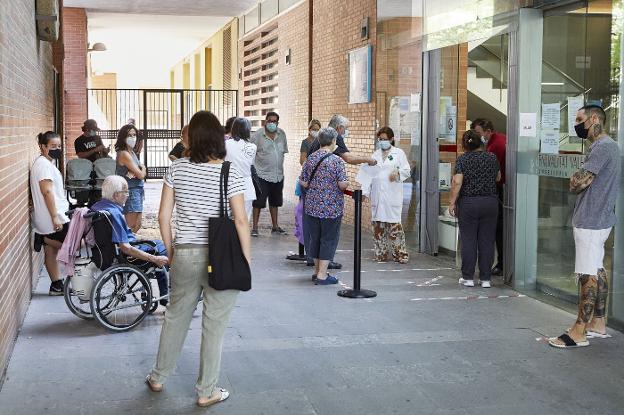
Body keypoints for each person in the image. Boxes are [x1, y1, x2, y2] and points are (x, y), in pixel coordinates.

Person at [147, 110, 250, 408]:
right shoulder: (231, 172)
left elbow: (164, 215)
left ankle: (158, 376)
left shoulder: (176, 169)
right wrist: (245, 258)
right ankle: (207, 391)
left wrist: (170, 249)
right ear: (218, 137)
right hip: (222, 255)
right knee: (214, 325)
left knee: (175, 317)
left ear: (192, 136)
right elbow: (241, 220)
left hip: (186, 252)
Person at [549, 105, 621, 349]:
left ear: (593, 119)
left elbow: (578, 182)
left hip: (591, 220)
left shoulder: (602, 147)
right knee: (598, 268)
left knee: (587, 275)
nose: (577, 124)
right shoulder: (608, 146)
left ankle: (579, 330)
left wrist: (576, 178)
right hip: (599, 219)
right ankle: (598, 323)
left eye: (579, 119)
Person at [304, 114, 377, 269]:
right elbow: (348, 160)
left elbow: (303, 180)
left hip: (311, 197)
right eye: (346, 128)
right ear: (339, 129)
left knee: (316, 234)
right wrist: (368, 159)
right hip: (328, 201)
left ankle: (316, 262)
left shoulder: (320, 140)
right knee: (329, 234)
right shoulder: (333, 139)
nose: (346, 131)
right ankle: (324, 267)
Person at [91, 176, 169, 305]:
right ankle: (166, 296)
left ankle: (149, 289)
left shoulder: (97, 207)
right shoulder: (114, 214)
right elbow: (125, 247)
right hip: (125, 254)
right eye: (125, 192)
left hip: (105, 251)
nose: (127, 196)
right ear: (116, 195)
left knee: (157, 245)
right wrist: (154, 259)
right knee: (163, 250)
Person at [448, 130, 500, 288]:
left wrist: (451, 202)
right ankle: (485, 279)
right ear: (481, 142)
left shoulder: (463, 159)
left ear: (465, 145)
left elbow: (457, 182)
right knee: (487, 240)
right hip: (490, 203)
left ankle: (468, 277)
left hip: (469, 204)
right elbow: (498, 177)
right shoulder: (492, 157)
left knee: (469, 240)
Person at [300, 127, 349, 285]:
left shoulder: (311, 158)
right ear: (334, 141)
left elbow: (303, 181)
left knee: (315, 239)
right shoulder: (336, 161)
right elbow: (342, 184)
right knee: (328, 239)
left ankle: (317, 271)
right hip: (331, 209)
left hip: (312, 206)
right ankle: (322, 275)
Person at [361, 127, 411, 264]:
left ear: (391, 139)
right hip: (378, 196)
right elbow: (367, 176)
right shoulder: (375, 155)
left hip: (392, 195)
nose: (382, 142)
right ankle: (381, 254)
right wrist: (364, 193)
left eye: (385, 139)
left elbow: (407, 170)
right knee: (378, 227)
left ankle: (400, 254)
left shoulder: (398, 154)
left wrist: (398, 173)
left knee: (395, 227)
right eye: (380, 139)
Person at [30, 131, 70, 295]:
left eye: (59, 146)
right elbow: (47, 192)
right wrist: (55, 217)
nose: (57, 149)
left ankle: (56, 285)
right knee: (72, 245)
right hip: (54, 217)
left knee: (50, 251)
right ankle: (43, 238)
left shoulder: (45, 162)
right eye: (53, 146)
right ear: (42, 146)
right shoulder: (44, 166)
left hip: (49, 216)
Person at [471, 118, 506, 276]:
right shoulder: (493, 142)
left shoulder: (496, 145)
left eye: (478, 133)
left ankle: (502, 263)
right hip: (497, 189)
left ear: (488, 132)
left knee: (497, 230)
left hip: (500, 191)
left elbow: (494, 174)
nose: (477, 137)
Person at [287, 119, 322, 261]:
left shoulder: (321, 143)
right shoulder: (306, 142)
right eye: (314, 128)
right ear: (309, 129)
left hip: (317, 180)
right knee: (304, 213)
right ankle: (304, 247)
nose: (315, 131)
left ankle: (313, 248)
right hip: (308, 179)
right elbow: (302, 160)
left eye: (318, 129)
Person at [250, 111, 288, 236]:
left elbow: (283, 152)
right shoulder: (257, 136)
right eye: (269, 121)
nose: (272, 123)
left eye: (274, 121)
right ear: (265, 121)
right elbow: (250, 153)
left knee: (275, 202)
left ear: (277, 122)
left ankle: (275, 226)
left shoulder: (281, 134)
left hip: (278, 175)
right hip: (262, 175)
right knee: (258, 203)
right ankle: (254, 228)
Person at [115, 124, 146, 232]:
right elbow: (141, 175)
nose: (133, 137)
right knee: (131, 226)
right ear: (123, 137)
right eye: (129, 135)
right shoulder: (124, 154)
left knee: (137, 225)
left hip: (137, 190)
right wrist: (144, 169)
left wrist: (140, 170)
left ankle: (130, 246)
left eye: (134, 135)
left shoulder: (131, 152)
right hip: (131, 191)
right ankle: (126, 247)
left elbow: (138, 173)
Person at [225, 117, 257, 219]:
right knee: (244, 219)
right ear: (248, 130)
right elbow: (250, 163)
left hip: (229, 184)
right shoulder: (252, 147)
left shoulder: (225, 144)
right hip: (246, 186)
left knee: (229, 218)